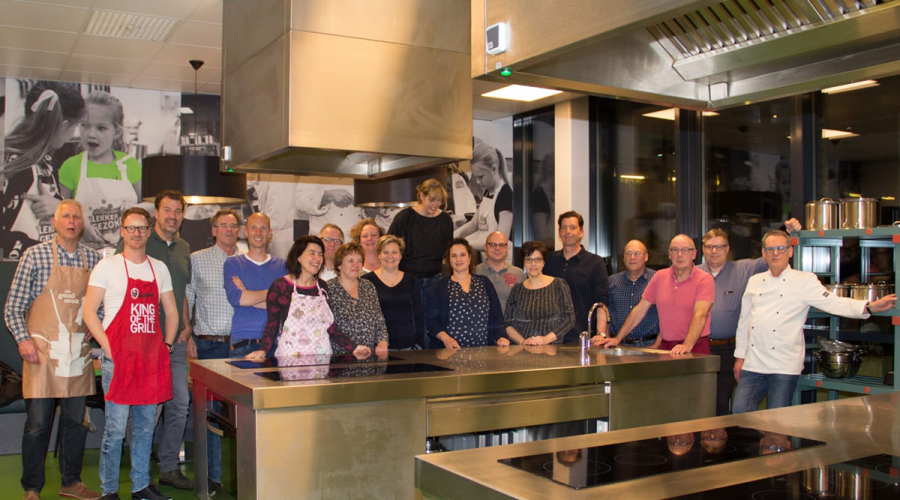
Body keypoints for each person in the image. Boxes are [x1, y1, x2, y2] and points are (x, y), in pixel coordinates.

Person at [732, 230, 897, 413]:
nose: (775, 253)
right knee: (740, 410)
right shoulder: (755, 281)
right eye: (770, 249)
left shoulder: (804, 280)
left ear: (790, 251)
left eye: (781, 248)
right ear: (764, 253)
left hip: (784, 363)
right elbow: (744, 321)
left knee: (776, 417)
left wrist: (869, 307)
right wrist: (740, 357)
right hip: (753, 361)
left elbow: (833, 303)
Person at [4, 200, 101, 500]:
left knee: (76, 423)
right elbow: (13, 307)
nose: (71, 221)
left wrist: (95, 326)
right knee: (36, 426)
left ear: (82, 224)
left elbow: (101, 306)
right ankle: (32, 488)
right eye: (66, 216)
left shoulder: (93, 259)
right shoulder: (35, 256)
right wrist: (23, 341)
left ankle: (71, 482)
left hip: (77, 355)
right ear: (55, 223)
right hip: (42, 354)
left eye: (76, 217)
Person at [83, 207, 179, 500]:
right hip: (118, 361)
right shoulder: (107, 267)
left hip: (150, 361)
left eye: (141, 228)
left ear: (149, 232)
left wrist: (167, 346)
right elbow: (88, 312)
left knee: (145, 428)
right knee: (114, 431)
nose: (136, 233)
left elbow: (172, 312)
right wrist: (108, 348)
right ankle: (109, 490)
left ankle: (140, 486)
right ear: (122, 232)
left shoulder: (158, 268)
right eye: (130, 228)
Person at [116, 190, 192, 490]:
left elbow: (179, 291)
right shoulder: (140, 241)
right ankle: (141, 473)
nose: (172, 216)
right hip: (143, 344)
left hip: (174, 343)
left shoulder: (184, 247)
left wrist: (186, 325)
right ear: (156, 214)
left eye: (178, 211)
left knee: (179, 405)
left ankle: (169, 467)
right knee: (147, 409)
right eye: (167, 210)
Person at [697, 221, 802, 416]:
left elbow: (773, 253)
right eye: (709, 247)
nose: (714, 251)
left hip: (728, 348)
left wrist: (788, 231)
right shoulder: (695, 273)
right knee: (697, 401)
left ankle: (725, 435)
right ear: (703, 249)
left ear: (727, 248)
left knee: (722, 403)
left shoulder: (744, 269)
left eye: (719, 246)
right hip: (699, 346)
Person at [183, 208, 242, 491]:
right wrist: (188, 333)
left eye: (233, 225)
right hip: (210, 346)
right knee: (211, 413)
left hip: (243, 347)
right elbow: (187, 298)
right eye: (223, 225)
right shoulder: (197, 259)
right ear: (214, 230)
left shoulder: (246, 261)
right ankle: (213, 477)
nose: (229, 230)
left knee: (242, 413)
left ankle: (242, 476)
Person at [246, 236, 371, 359]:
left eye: (320, 254)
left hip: (321, 358)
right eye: (312, 253)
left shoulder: (322, 287)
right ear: (298, 256)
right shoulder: (281, 286)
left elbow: (330, 325)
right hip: (290, 359)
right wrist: (263, 350)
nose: (317, 258)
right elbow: (272, 324)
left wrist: (353, 347)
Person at [1, 82, 85, 260]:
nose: (74, 134)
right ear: (63, 125)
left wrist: (59, 208)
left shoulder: (44, 160)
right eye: (75, 126)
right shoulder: (16, 167)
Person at [594, 234, 714, 355]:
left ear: (694, 254)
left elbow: (700, 314)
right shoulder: (659, 276)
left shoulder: (705, 279)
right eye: (675, 250)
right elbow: (640, 310)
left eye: (685, 250)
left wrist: (687, 345)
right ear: (669, 254)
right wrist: (618, 338)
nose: (679, 254)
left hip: (695, 345)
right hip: (666, 347)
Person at [59, 91, 142, 252]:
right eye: (85, 125)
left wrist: (134, 210)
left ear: (116, 132)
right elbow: (59, 215)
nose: (91, 134)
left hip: (124, 255)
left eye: (101, 128)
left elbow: (151, 209)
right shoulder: (71, 166)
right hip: (83, 255)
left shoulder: (129, 165)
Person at [387, 178, 453, 347]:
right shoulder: (404, 218)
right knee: (411, 321)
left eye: (439, 201)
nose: (435, 205)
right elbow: (389, 245)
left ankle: (433, 356)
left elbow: (448, 253)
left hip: (435, 278)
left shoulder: (445, 220)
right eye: (432, 200)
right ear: (421, 196)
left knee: (434, 320)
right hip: (408, 278)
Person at [224, 213, 286, 358]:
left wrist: (248, 293)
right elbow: (237, 299)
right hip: (243, 342)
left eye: (263, 228)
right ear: (245, 232)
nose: (258, 233)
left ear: (270, 233)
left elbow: (285, 305)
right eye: (254, 228)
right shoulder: (233, 263)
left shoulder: (282, 266)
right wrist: (273, 293)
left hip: (275, 342)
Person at [427, 238, 508, 349]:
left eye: (462, 255)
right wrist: (446, 339)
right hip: (450, 353)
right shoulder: (439, 287)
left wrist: (501, 336)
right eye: (454, 256)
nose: (458, 259)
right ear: (449, 260)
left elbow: (496, 314)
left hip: (483, 353)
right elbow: (432, 321)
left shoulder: (484, 282)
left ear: (469, 258)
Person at [544, 211, 609, 341]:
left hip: (582, 335)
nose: (568, 231)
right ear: (559, 233)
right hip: (549, 335)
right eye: (564, 228)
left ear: (581, 232)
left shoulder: (595, 262)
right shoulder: (548, 260)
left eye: (573, 227)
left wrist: (600, 333)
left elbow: (601, 300)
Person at [504, 241, 576, 345]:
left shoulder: (558, 285)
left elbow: (569, 319)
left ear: (543, 262)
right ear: (523, 262)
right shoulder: (516, 290)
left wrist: (546, 339)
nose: (533, 264)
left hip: (552, 349)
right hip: (523, 350)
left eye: (537, 259)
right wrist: (523, 342)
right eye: (529, 259)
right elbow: (508, 323)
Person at [361, 235, 425, 350]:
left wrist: (419, 344)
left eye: (394, 252)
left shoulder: (411, 281)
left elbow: (418, 316)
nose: (390, 256)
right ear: (379, 255)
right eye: (386, 252)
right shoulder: (366, 281)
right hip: (378, 349)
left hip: (408, 348)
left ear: (400, 255)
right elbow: (363, 318)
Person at [592, 240, 659, 347]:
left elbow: (666, 316)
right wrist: (606, 337)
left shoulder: (657, 279)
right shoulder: (612, 281)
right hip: (618, 345)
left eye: (637, 253)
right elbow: (606, 311)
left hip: (649, 344)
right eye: (628, 253)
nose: (632, 257)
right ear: (623, 258)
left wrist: (657, 345)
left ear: (646, 257)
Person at [326, 243, 389, 354]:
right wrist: (352, 347)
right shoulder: (328, 288)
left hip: (369, 355)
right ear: (339, 265)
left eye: (359, 261)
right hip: (341, 356)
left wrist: (382, 342)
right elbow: (328, 325)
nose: (356, 265)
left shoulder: (368, 286)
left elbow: (379, 320)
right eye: (350, 261)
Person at [454, 141, 513, 253]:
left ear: (494, 169)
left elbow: (500, 243)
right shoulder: (488, 192)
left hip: (501, 261)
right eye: (476, 177)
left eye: (481, 177)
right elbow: (474, 224)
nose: (478, 181)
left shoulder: (505, 195)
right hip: (488, 259)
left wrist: (463, 243)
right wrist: (453, 236)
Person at [474, 231, 525, 314]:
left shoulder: (519, 274)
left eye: (501, 245)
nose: (497, 248)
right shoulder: (474, 272)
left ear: (507, 248)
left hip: (511, 322)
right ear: (485, 247)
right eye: (493, 244)